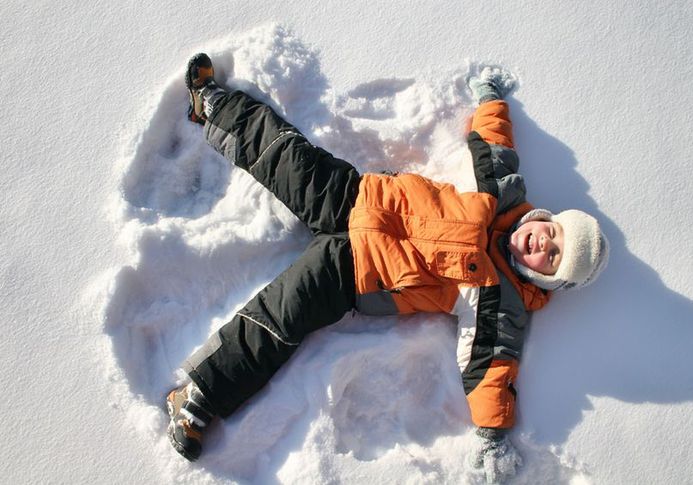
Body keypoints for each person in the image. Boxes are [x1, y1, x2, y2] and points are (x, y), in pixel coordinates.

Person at [165, 53, 609, 482]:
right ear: (545, 219)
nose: (542, 244)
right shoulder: (503, 198)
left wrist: (492, 436)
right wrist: (491, 99)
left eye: (551, 257)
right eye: (553, 234)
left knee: (281, 318)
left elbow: (492, 367)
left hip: (355, 273)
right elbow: (496, 145)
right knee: (284, 152)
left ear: (545, 276)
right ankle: (211, 103)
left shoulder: (500, 297)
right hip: (357, 197)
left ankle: (199, 397)